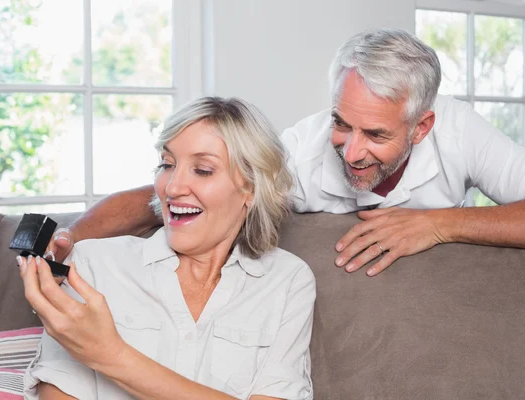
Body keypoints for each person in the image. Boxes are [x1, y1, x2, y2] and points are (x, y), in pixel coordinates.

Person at [46, 28, 525, 277]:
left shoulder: (459, 130)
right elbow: (174, 194)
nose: (351, 152)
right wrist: (67, 240)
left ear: (421, 127)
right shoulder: (302, 155)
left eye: (374, 135)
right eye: (340, 123)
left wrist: (442, 224)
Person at [19, 97, 316, 400]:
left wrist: (111, 354)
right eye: (167, 164)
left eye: (202, 170)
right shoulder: (91, 265)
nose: (172, 187)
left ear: (251, 188)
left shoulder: (287, 281)